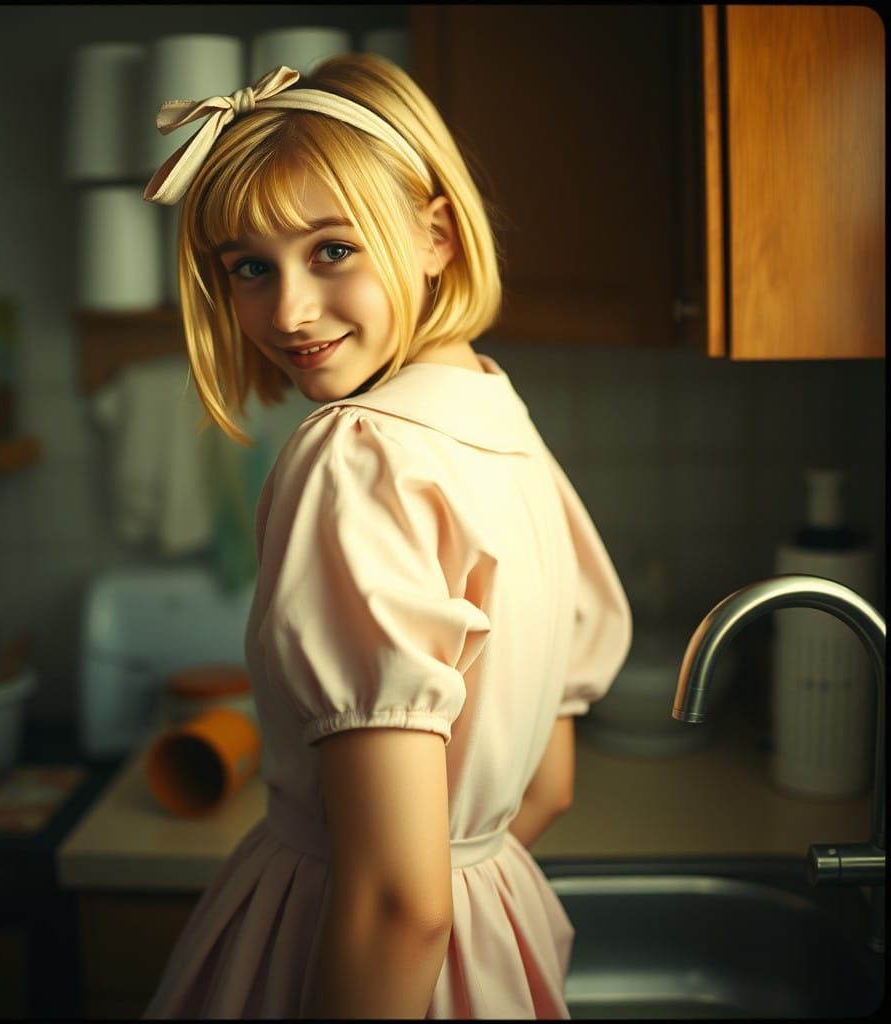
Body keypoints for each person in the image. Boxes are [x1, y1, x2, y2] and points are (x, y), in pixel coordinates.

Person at [141, 55, 632, 1019]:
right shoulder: (502, 421)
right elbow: (549, 790)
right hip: (493, 940)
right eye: (250, 267)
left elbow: (399, 906)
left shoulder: (358, 455)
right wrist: (460, 907)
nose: (289, 310)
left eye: (332, 249)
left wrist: (415, 915)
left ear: (435, 235)